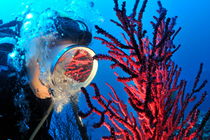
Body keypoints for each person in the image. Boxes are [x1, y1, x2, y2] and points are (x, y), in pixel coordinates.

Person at [0, 9, 92, 139]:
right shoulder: (5, 70)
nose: (62, 75)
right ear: (35, 47)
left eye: (68, 67)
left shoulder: (45, 94)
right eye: (58, 60)